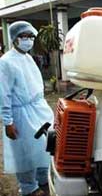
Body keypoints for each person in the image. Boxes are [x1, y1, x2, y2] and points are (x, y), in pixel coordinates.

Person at [0, 21, 54, 196]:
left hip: (38, 110)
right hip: (20, 114)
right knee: (24, 153)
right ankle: (29, 187)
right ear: (15, 39)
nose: (28, 40)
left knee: (42, 147)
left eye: (31, 36)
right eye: (24, 36)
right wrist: (8, 121)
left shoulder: (28, 57)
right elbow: (4, 94)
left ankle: (43, 179)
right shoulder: (5, 62)